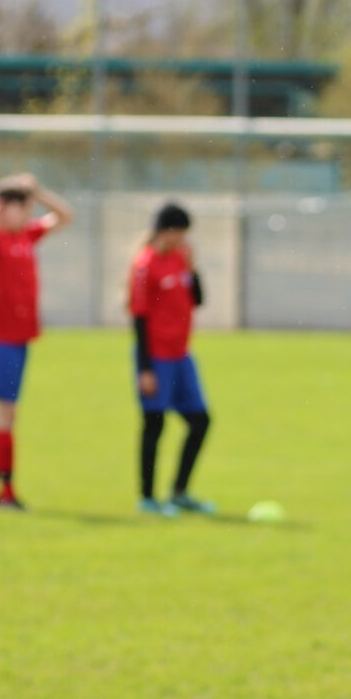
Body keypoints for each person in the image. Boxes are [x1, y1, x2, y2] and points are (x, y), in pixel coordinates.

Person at [0, 171, 74, 509]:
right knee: (4, 412)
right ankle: (6, 490)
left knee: (3, 414)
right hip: (0, 337)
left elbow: (65, 216)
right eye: (22, 207)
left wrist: (38, 192)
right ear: (4, 207)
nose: (28, 214)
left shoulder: (27, 234)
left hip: (20, 337)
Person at [128, 202, 213, 516]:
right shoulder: (145, 264)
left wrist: (193, 267)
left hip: (181, 356)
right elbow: (138, 319)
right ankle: (148, 498)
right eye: (178, 232)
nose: (182, 239)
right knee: (155, 424)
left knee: (201, 421)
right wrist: (145, 369)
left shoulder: (180, 259)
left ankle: (180, 493)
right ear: (164, 231)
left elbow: (199, 300)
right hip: (156, 358)